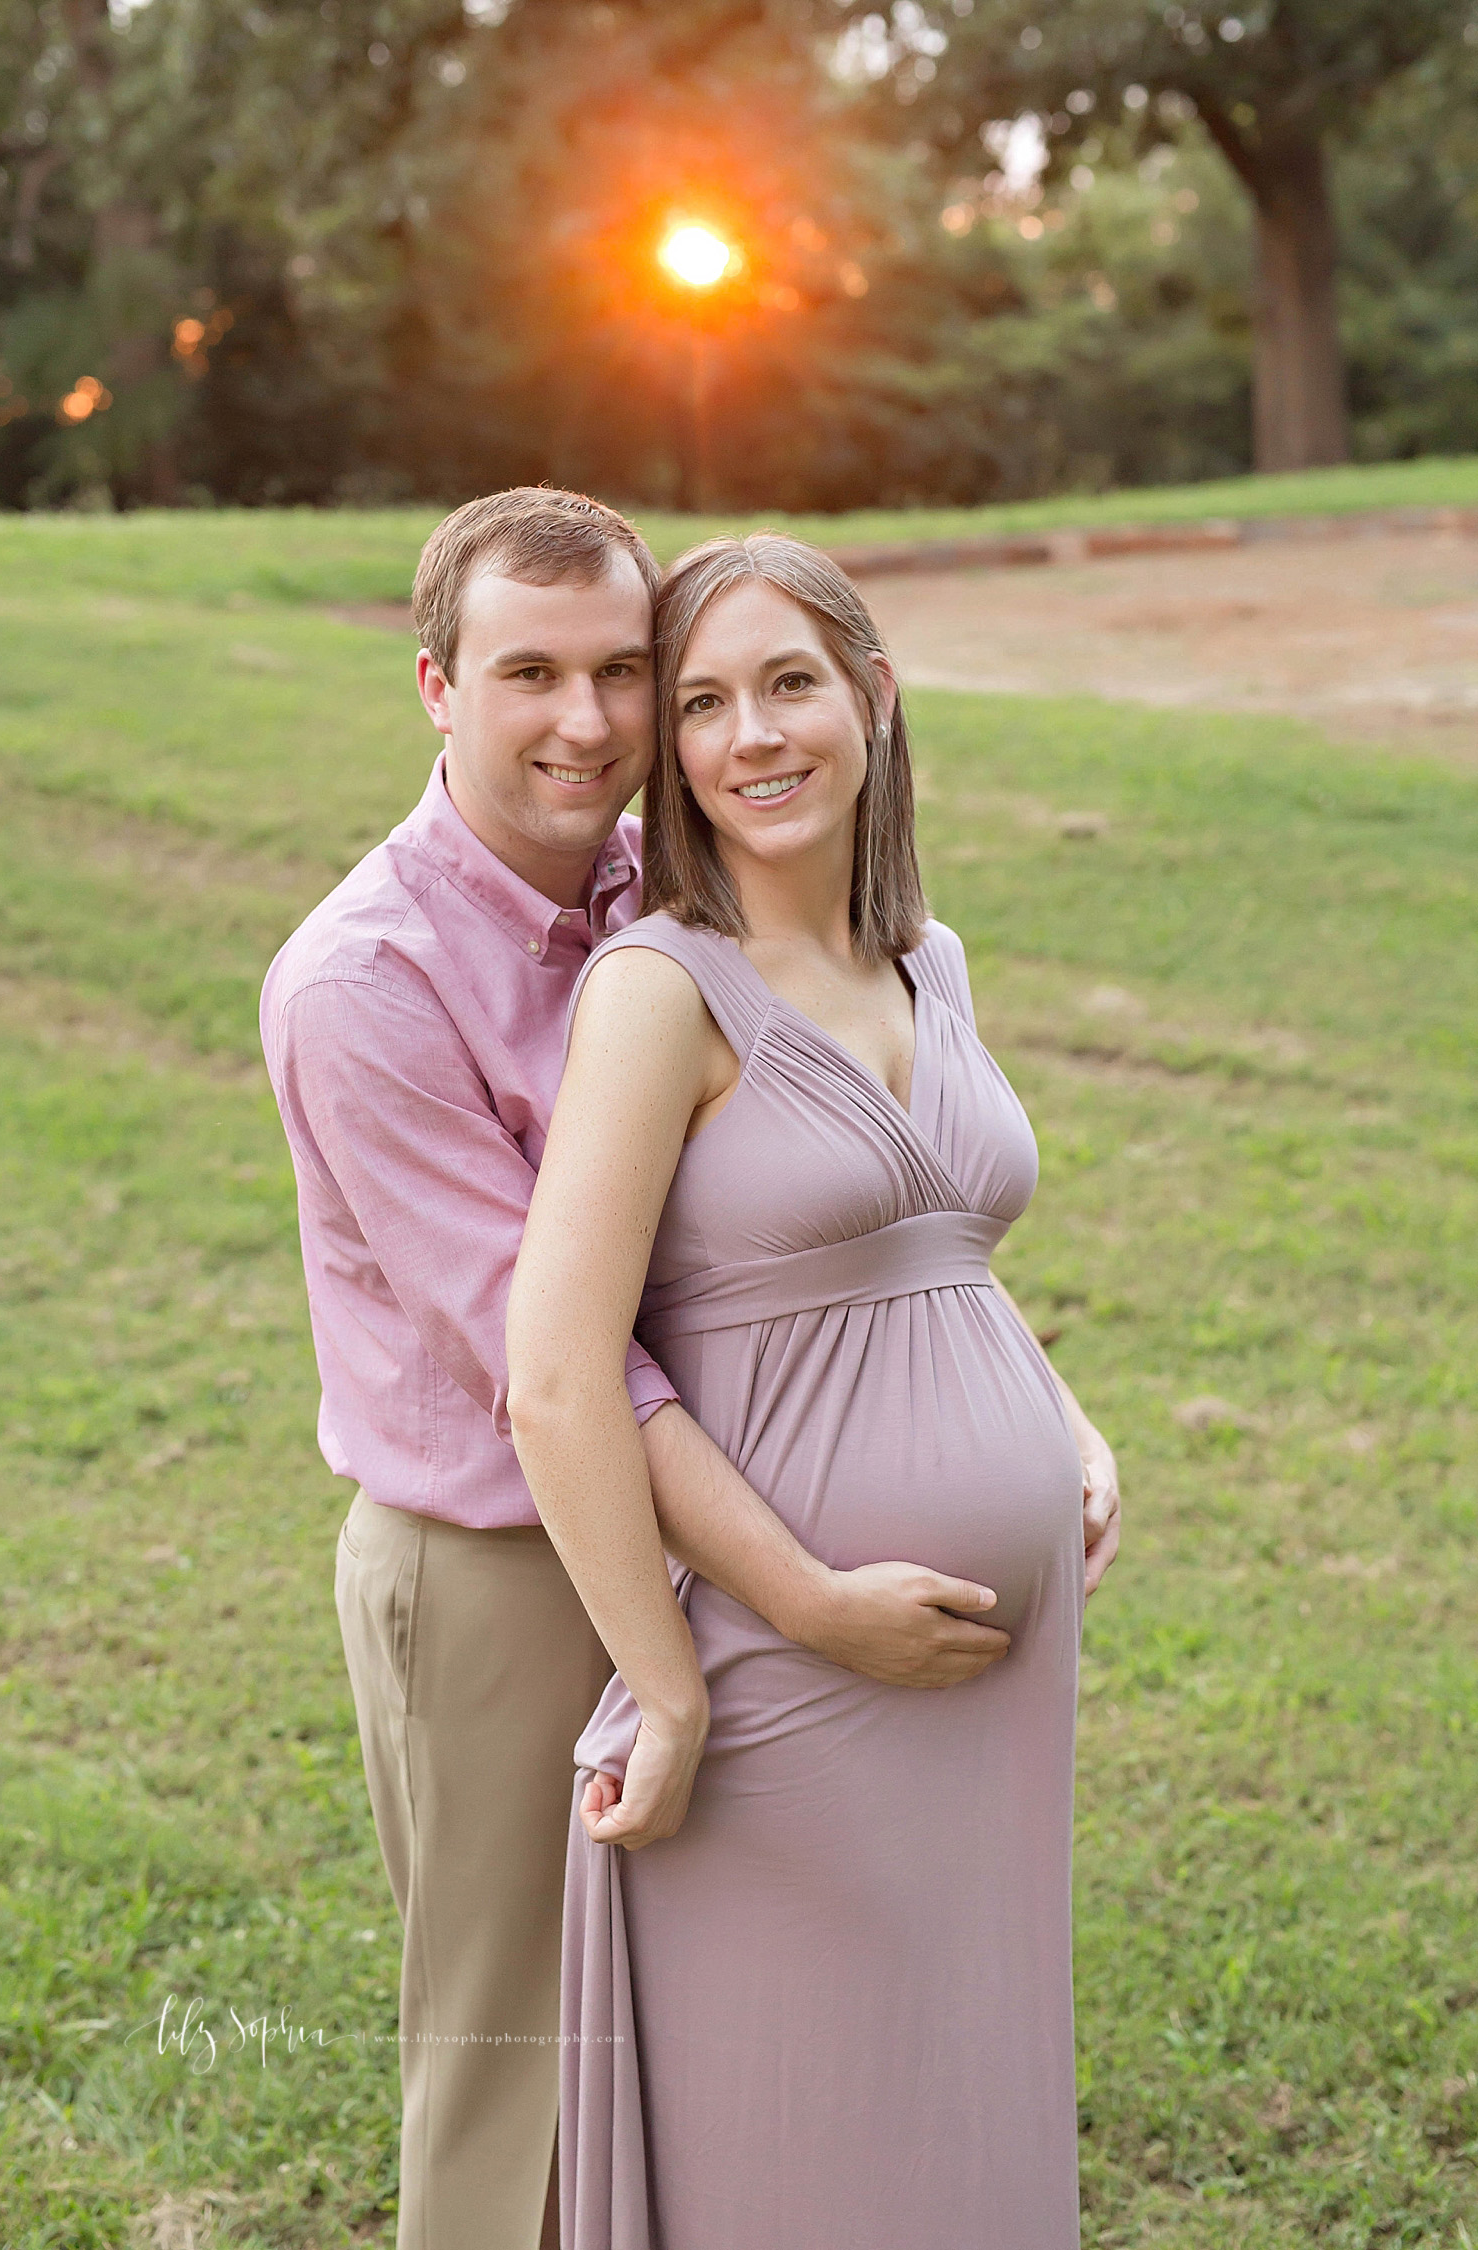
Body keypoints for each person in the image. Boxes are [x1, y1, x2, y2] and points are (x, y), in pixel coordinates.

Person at [259, 488, 1058, 2250]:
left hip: (695, 1554)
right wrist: (778, 1611)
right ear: (435, 686)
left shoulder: (668, 887)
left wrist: (1043, 1414)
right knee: (519, 2081)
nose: (590, 721)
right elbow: (566, 1372)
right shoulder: (364, 984)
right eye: (527, 671)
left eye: (623, 669)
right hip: (497, 1569)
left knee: (687, 2079)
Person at [507, 532, 1122, 2250]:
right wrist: (684, 1679)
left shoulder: (933, 956)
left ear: (873, 691)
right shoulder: (660, 995)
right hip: (784, 1667)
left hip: (989, 1682)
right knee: (804, 2141)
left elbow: (942, 1255)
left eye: (788, 682)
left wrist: (1061, 1421)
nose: (749, 735)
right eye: (700, 701)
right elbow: (557, 1377)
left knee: (959, 2082)